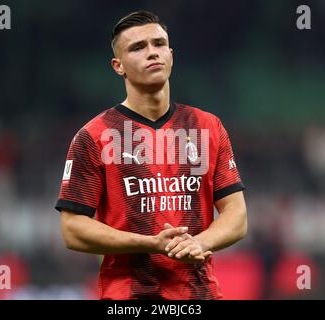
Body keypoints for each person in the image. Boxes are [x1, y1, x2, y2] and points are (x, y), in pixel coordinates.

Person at [55, 10, 247, 300]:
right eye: (138, 47)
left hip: (200, 294)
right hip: (130, 298)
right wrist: (150, 243)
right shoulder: (94, 136)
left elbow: (237, 215)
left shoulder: (208, 127)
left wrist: (199, 243)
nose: (152, 53)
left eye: (158, 44)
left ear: (171, 54)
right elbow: (72, 229)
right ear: (118, 66)